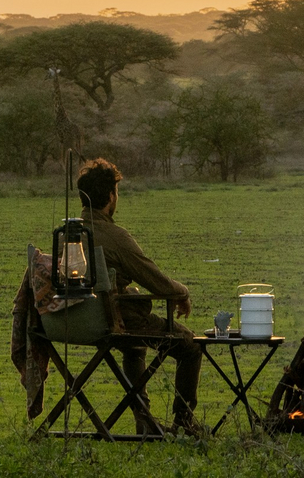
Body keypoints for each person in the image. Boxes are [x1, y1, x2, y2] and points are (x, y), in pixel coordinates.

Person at [76, 157, 204, 436]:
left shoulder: (70, 232)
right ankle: (183, 421)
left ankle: (144, 420)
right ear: (111, 196)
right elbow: (158, 283)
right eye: (116, 193)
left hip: (76, 319)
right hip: (113, 320)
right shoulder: (115, 236)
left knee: (134, 348)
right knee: (190, 346)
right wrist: (183, 292)